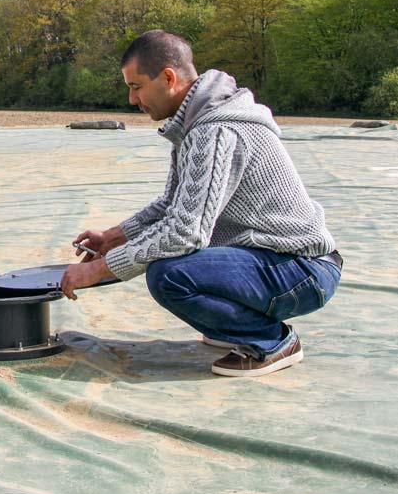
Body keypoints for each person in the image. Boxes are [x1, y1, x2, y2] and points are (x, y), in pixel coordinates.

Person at [60, 30, 341, 377]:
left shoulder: (216, 131)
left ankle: (270, 341)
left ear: (168, 77)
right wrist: (115, 236)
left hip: (303, 270)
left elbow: (184, 233)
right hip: (280, 261)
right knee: (170, 262)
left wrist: (98, 269)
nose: (132, 99)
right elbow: (171, 204)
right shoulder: (199, 122)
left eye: (136, 87)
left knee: (169, 274)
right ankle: (238, 326)